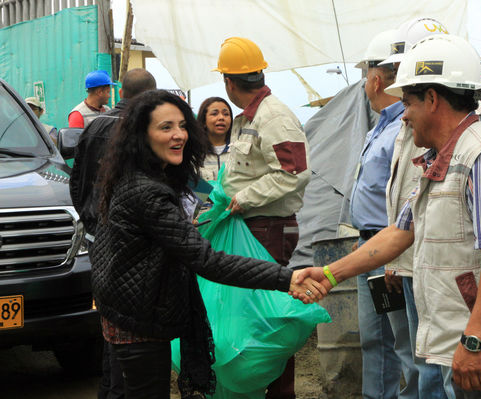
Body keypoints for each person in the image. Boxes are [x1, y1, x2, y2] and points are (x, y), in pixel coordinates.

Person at [296, 34, 481, 399]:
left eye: (407, 102)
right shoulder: (441, 159)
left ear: (432, 99)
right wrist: (327, 273)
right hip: (473, 344)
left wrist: (475, 340)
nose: (403, 114)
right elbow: (399, 233)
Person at [90, 89, 323, 399]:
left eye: (183, 126)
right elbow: (208, 261)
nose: (179, 136)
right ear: (141, 136)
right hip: (138, 323)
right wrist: (287, 278)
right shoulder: (147, 192)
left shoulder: (135, 178)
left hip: (127, 313)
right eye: (165, 128)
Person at [214, 37, 310, 399]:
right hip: (249, 227)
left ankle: (280, 392)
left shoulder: (274, 116)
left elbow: (294, 173)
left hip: (267, 228)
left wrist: (242, 198)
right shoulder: (246, 119)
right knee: (251, 314)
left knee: (271, 317)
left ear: (228, 82)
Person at [377, 17, 454, 399]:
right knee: (418, 356)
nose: (396, 75)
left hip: (427, 261)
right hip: (406, 256)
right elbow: (404, 194)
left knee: (434, 363)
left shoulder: (441, 124)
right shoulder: (408, 118)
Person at [70, 68, 157, 399]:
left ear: (121, 93)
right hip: (133, 243)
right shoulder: (145, 130)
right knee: (129, 325)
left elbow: (76, 184)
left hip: (99, 237)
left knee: (109, 318)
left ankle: (109, 390)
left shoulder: (95, 127)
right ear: (150, 95)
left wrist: (91, 222)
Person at [350, 29, 418, 399]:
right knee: (377, 340)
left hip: (389, 250)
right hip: (373, 249)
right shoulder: (386, 124)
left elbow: (410, 194)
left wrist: (396, 257)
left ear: (375, 80)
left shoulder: (404, 128)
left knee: (402, 344)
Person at [196, 97, 233, 182]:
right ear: (204, 121)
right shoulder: (195, 153)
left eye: (226, 114)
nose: (221, 118)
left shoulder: (238, 151)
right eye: (214, 114)